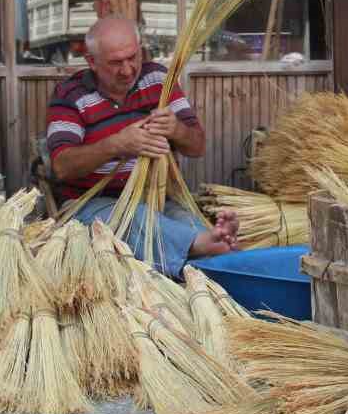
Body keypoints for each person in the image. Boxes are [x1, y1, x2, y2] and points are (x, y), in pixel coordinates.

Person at [46, 16, 238, 278]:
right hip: (92, 203)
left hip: (158, 198)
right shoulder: (70, 94)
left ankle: (212, 249)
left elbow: (197, 146)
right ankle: (199, 246)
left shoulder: (158, 80)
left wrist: (177, 130)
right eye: (115, 62)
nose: (127, 70)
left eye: (133, 57)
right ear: (92, 62)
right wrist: (116, 144)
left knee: (187, 223)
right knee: (137, 218)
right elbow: (62, 166)